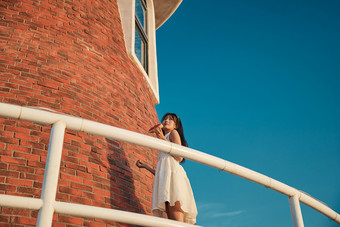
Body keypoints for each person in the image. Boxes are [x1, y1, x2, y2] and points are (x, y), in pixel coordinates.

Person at [136, 113, 197, 224]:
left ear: (176, 126)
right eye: (164, 118)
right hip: (167, 182)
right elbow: (162, 174)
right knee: (169, 217)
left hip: (175, 180)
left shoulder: (173, 133)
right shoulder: (163, 143)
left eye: (170, 119)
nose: (166, 120)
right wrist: (146, 167)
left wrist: (162, 138)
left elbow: (179, 157)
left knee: (176, 213)